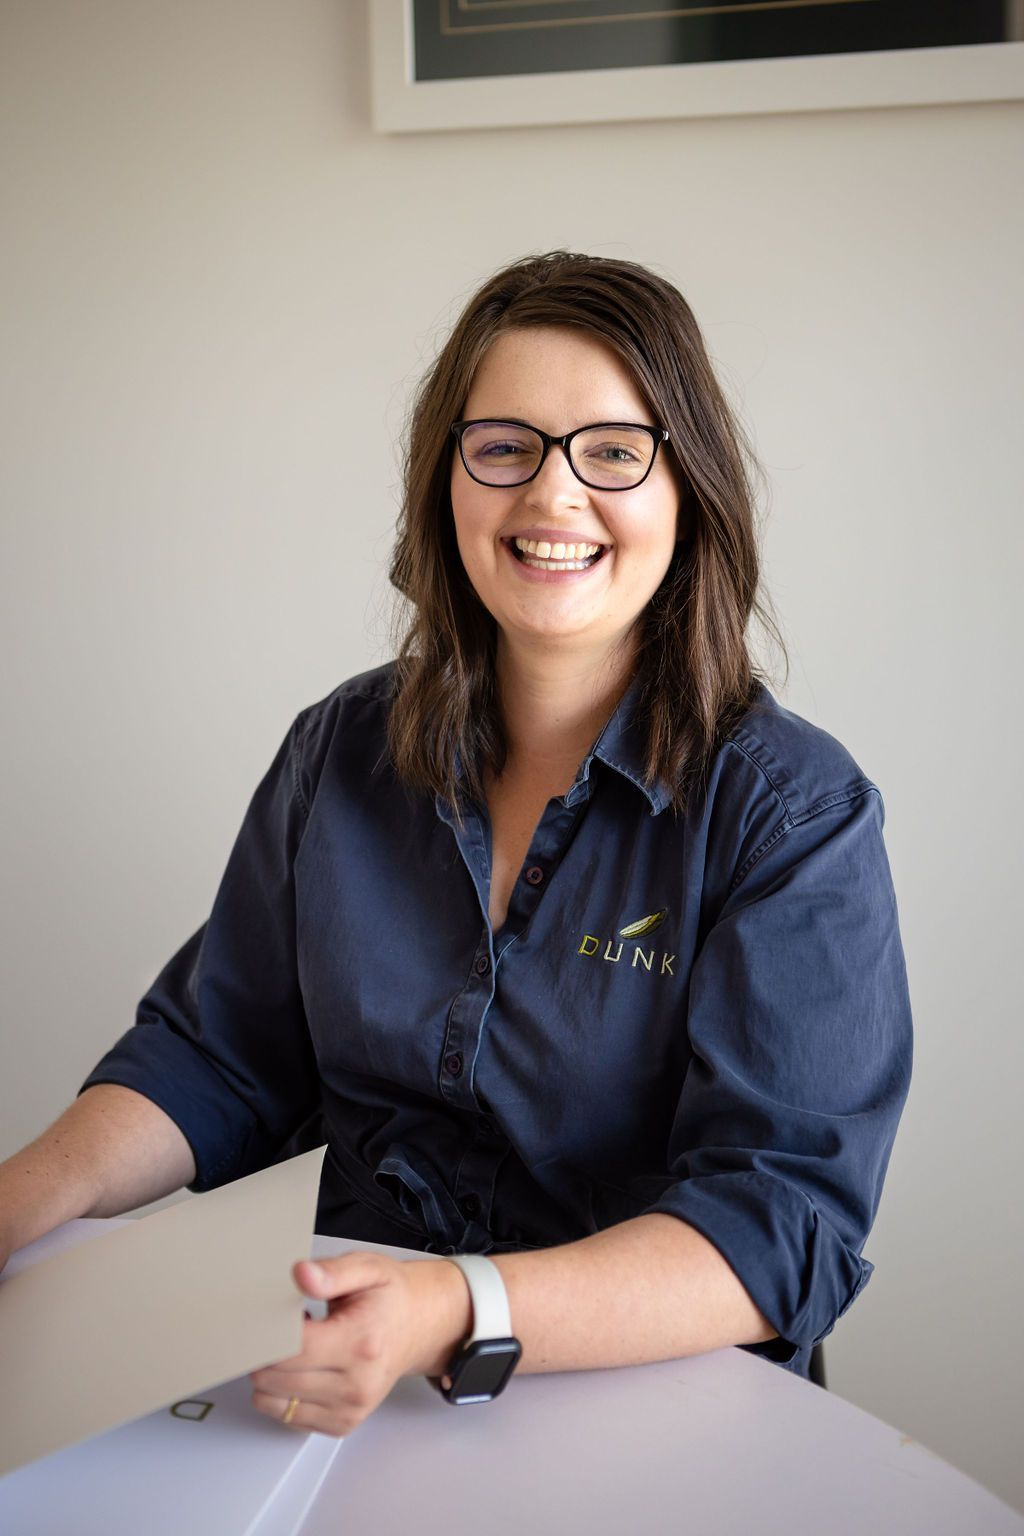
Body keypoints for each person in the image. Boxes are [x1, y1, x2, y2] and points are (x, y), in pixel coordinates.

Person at [0, 251, 912, 1433]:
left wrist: (455, 1306)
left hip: (648, 1409)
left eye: (612, 450)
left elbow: (781, 1225)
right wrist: (20, 1201)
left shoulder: (791, 813)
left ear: (686, 487)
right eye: (505, 447)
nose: (553, 496)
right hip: (338, 1374)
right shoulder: (340, 750)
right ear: (447, 482)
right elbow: (216, 1056)